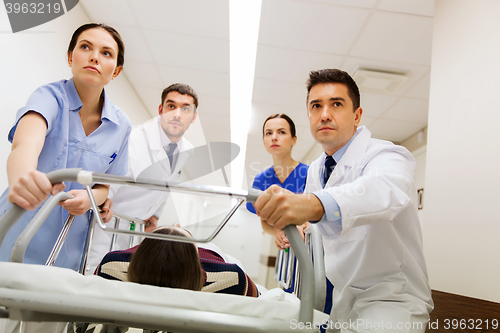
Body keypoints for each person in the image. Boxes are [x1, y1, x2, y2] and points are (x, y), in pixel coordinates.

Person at [254, 69, 433, 332]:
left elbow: (381, 192)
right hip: (343, 299)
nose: (325, 113)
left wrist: (311, 205)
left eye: (336, 104)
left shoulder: (389, 155)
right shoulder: (317, 169)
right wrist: (306, 227)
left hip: (392, 301)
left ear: (357, 115)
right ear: (309, 116)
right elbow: (329, 226)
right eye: (316, 106)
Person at [0, 23, 131, 271]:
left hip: (68, 245)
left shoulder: (121, 126)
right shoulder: (48, 97)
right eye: (85, 47)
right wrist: (23, 178)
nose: (94, 56)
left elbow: (104, 184)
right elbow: (25, 143)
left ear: (116, 71)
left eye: (106, 53)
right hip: (18, 227)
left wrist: (92, 198)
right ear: (71, 57)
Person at [87, 83, 199, 273]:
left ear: (193, 117)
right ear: (161, 109)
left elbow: (167, 184)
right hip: (106, 225)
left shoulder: (186, 150)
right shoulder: (135, 139)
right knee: (94, 273)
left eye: (185, 108)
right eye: (171, 106)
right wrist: (102, 204)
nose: (177, 114)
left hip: (136, 229)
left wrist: (155, 214)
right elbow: (109, 181)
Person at [95, 226, 259, 297]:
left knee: (171, 236)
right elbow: (256, 300)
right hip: (211, 253)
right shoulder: (232, 278)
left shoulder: (111, 265)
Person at [246, 113, 309, 249]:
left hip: (312, 246)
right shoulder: (261, 180)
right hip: (287, 254)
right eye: (268, 133)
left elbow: (320, 211)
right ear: (264, 141)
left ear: (294, 140)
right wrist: (277, 232)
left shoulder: (310, 174)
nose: (274, 137)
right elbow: (264, 221)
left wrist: (304, 227)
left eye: (281, 132)